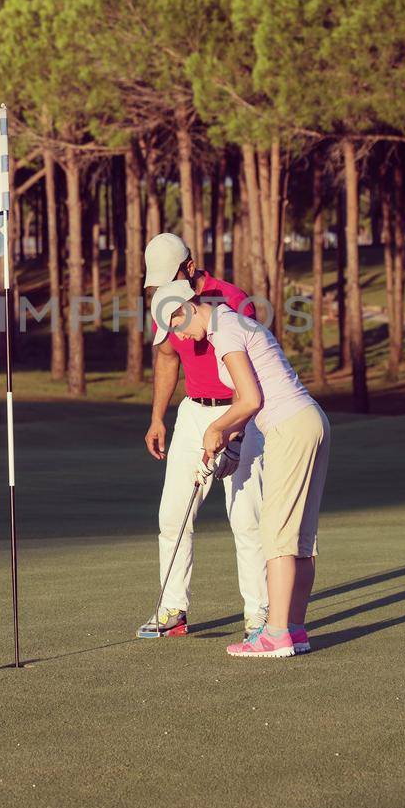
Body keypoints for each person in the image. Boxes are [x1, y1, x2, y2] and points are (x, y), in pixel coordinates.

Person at [149, 277, 331, 659]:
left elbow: (250, 399)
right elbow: (252, 401)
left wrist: (216, 429)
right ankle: (295, 629)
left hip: (287, 427)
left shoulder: (225, 331)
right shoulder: (233, 322)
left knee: (276, 533)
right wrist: (230, 443)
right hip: (310, 421)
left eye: (177, 326)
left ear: (186, 308)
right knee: (300, 539)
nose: (180, 337)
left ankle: (275, 633)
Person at [137, 232, 269, 640]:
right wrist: (157, 418)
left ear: (190, 268)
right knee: (172, 515)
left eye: (169, 276)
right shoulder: (164, 304)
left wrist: (237, 433)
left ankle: (260, 615)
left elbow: (257, 371)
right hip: (193, 412)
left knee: (246, 518)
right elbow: (165, 357)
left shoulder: (231, 299)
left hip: (240, 410)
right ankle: (172, 609)